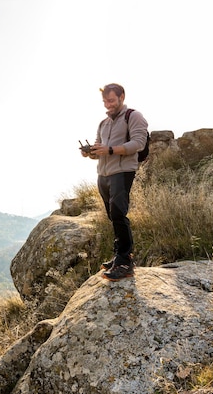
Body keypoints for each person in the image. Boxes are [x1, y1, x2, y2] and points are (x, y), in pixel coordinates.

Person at [81, 83, 148, 281]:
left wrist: (110, 149)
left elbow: (138, 143)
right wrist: (90, 152)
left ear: (121, 97)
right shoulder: (103, 123)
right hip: (103, 173)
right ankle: (119, 254)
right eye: (105, 101)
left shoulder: (134, 116)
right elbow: (100, 151)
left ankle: (125, 261)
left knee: (119, 213)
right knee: (112, 215)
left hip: (122, 171)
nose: (107, 105)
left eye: (111, 100)